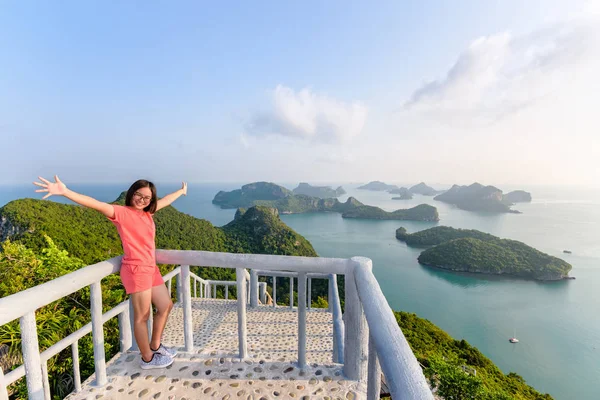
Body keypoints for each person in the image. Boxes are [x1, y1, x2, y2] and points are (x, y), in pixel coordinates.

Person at [33, 175, 187, 369]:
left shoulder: (148, 213)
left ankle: (155, 346)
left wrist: (181, 192)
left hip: (150, 267)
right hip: (136, 269)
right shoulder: (121, 212)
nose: (142, 200)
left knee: (165, 305)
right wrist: (65, 191)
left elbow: (164, 201)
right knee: (142, 316)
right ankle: (147, 358)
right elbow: (95, 204)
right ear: (131, 194)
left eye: (147, 198)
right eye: (138, 195)